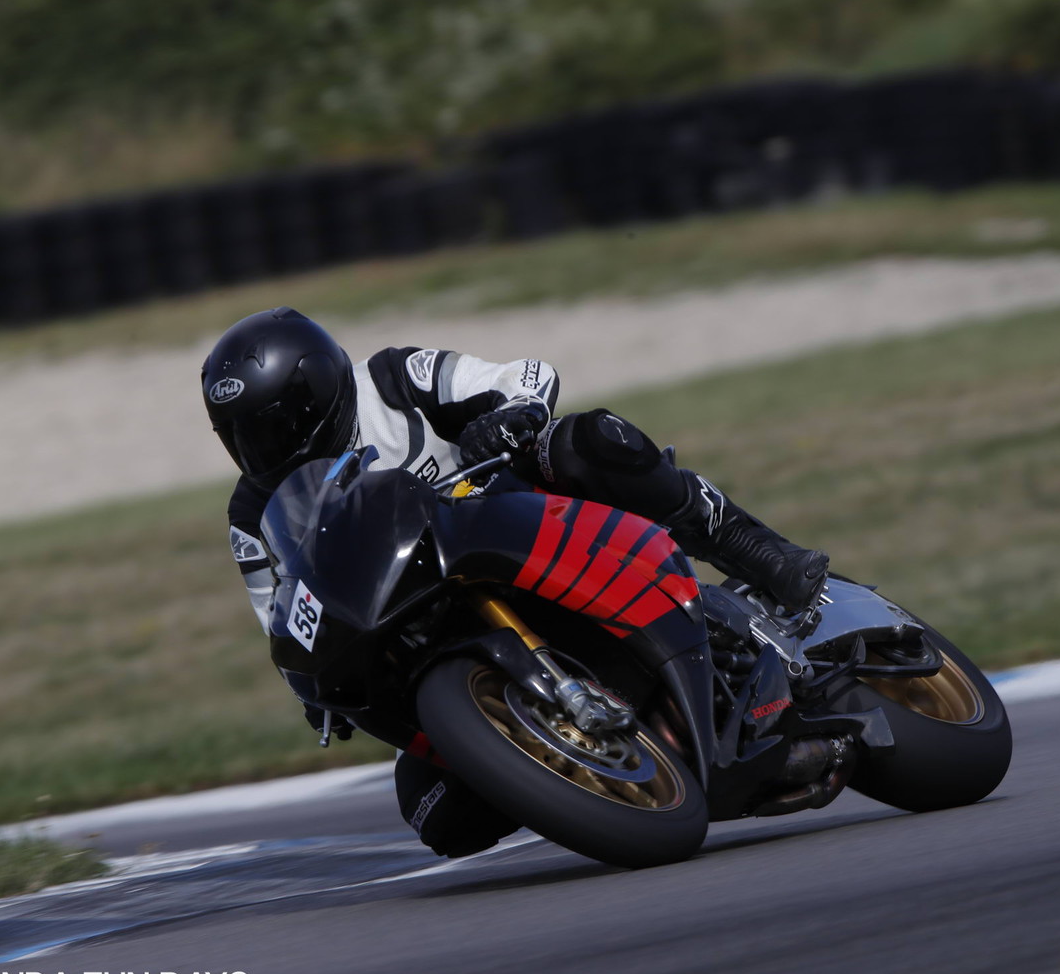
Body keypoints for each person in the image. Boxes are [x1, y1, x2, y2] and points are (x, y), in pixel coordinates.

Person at [202, 306, 828, 857]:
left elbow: (526, 375)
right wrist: (314, 685)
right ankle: (577, 769)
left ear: (319, 392)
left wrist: (511, 416)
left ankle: (754, 550)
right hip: (417, 621)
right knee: (436, 816)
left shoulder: (392, 380)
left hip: (512, 524)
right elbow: (279, 612)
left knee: (584, 441)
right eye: (240, 436)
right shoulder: (251, 513)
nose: (259, 449)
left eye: (273, 426)